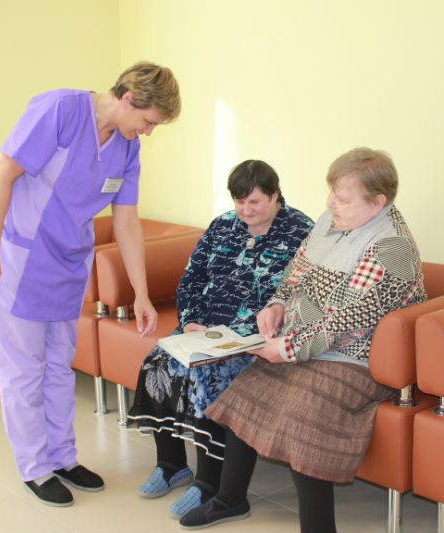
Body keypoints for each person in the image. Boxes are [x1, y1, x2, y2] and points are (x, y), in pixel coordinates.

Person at [0, 62, 181, 507]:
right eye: (149, 121)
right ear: (129, 99)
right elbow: (1, 175)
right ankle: (35, 467)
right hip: (16, 262)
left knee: (59, 368)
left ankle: (63, 458)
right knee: (24, 372)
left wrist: (140, 293)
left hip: (65, 268)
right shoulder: (60, 110)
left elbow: (127, 222)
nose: (149, 131)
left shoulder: (127, 148)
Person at [179, 147, 427, 532]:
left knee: (304, 423)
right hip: (306, 343)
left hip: (356, 358)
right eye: (331, 194)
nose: (329, 204)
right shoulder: (330, 221)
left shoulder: (391, 247)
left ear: (378, 202)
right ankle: (230, 500)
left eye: (341, 198)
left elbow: (349, 320)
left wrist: (288, 348)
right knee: (247, 391)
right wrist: (277, 304)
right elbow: (295, 272)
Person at [126, 160, 314, 518]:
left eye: (254, 202)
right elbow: (191, 278)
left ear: (275, 195)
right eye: (239, 202)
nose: (246, 210)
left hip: (254, 339)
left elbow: (304, 296)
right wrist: (191, 322)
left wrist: (268, 335)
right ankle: (171, 465)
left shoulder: (301, 232)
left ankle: (208, 483)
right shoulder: (222, 225)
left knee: (209, 375)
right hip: (206, 330)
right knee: (157, 363)